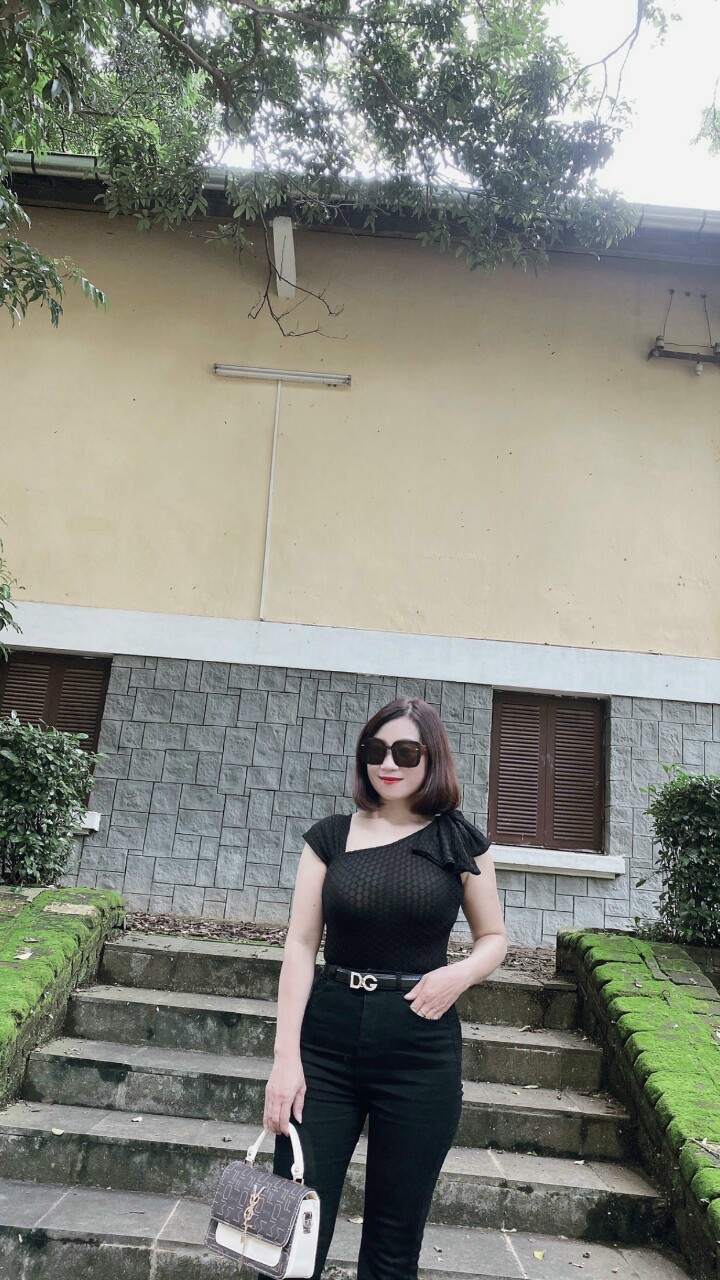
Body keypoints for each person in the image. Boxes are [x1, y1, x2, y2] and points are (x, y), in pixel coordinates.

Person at [258, 696, 507, 1280]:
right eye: (376, 750)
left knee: (394, 1248)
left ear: (431, 759)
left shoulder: (461, 842)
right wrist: (285, 1060)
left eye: (405, 752)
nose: (388, 763)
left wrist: (459, 974)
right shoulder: (330, 837)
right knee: (290, 1236)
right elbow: (300, 946)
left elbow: (494, 937)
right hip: (326, 1045)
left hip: (419, 1050)